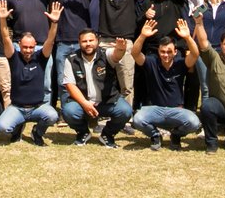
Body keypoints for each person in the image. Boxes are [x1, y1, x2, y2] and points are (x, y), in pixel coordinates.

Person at [129, 17, 203, 151]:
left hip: (176, 110)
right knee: (137, 119)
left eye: (169, 52)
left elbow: (195, 53)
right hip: (155, 110)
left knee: (194, 122)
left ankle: (176, 135)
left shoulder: (181, 63)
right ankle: (155, 135)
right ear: (158, 52)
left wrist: (187, 37)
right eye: (162, 52)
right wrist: (142, 36)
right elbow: (135, 53)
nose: (166, 55)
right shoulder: (151, 62)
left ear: (175, 52)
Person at [0, 0, 61, 144]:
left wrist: (54, 22)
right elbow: (6, 38)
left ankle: (37, 132)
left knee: (52, 116)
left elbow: (50, 40)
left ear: (35, 46)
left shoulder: (41, 58)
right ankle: (18, 127)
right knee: (3, 127)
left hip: (38, 107)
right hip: (17, 108)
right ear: (19, 45)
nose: (28, 50)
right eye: (25, 47)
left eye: (31, 47)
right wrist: (2, 19)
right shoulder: (14, 57)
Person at [61, 28, 132, 147]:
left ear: (97, 41)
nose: (88, 44)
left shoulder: (106, 54)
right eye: (84, 41)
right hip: (83, 103)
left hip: (107, 101)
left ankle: (107, 134)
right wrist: (85, 103)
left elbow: (116, 55)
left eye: (91, 40)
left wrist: (121, 49)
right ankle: (83, 132)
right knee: (69, 111)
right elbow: (69, 85)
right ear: (79, 42)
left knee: (125, 111)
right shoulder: (71, 59)